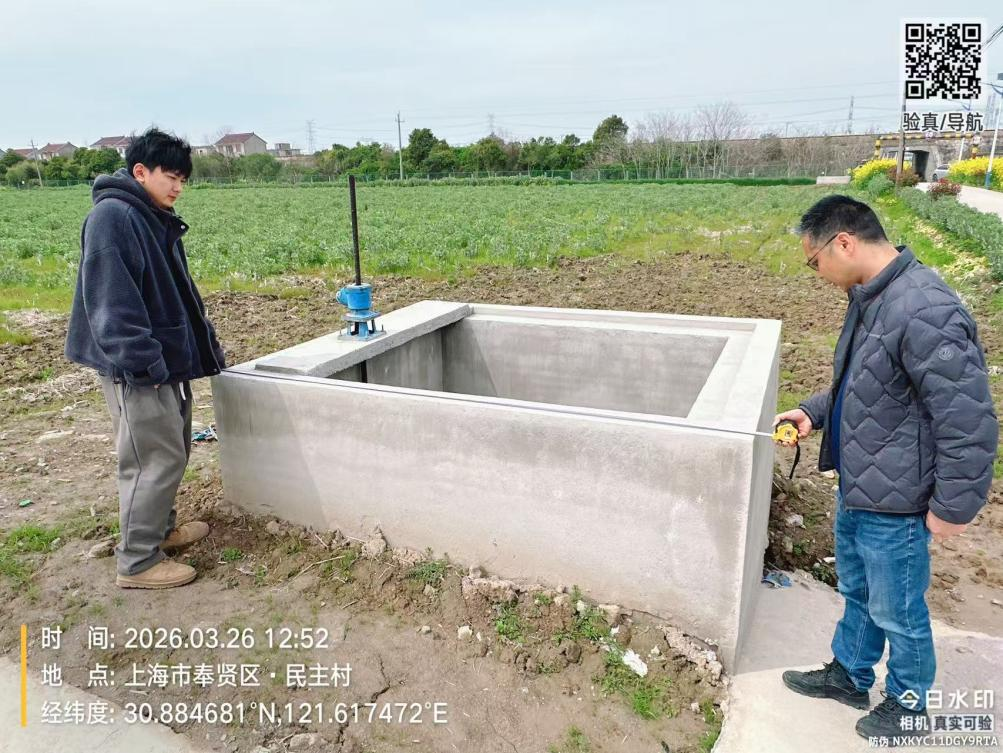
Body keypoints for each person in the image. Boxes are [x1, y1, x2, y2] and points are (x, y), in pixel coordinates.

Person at [774, 195, 998, 743]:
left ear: (844, 243)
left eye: (815, 262)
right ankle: (850, 674)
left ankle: (908, 704)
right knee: (858, 592)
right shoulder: (873, 298)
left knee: (898, 609)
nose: (817, 274)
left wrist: (953, 506)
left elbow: (967, 418)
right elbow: (865, 383)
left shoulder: (925, 308)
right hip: (862, 485)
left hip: (898, 500)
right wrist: (813, 412)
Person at [65, 127, 226, 589]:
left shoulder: (153, 216)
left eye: (183, 180)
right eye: (170, 177)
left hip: (163, 362)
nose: (178, 187)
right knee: (151, 458)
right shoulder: (113, 218)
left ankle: (161, 531)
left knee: (173, 449)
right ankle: (137, 561)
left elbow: (179, 294)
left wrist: (202, 348)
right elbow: (112, 305)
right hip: (139, 369)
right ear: (140, 171)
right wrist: (144, 365)